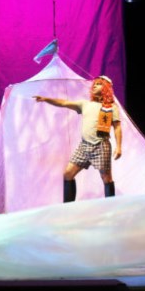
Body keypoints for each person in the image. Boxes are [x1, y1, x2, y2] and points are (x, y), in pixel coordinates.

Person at [33, 75, 122, 203]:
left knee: (106, 178)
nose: (94, 86)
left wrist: (119, 147)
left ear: (106, 88)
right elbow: (64, 103)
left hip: (101, 145)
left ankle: (111, 206)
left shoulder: (111, 107)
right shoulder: (84, 104)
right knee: (68, 174)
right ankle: (68, 208)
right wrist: (46, 99)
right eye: (94, 84)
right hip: (84, 146)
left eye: (98, 84)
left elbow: (117, 127)